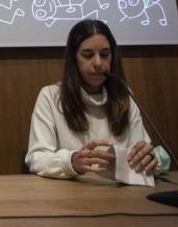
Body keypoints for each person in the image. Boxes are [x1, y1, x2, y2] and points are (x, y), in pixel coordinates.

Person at [25, 19, 168, 179]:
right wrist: (71, 162)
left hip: (120, 195)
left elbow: (143, 153)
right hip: (69, 195)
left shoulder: (124, 96)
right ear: (74, 59)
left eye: (105, 54)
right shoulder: (50, 97)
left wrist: (147, 159)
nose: (99, 62)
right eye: (88, 55)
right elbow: (37, 158)